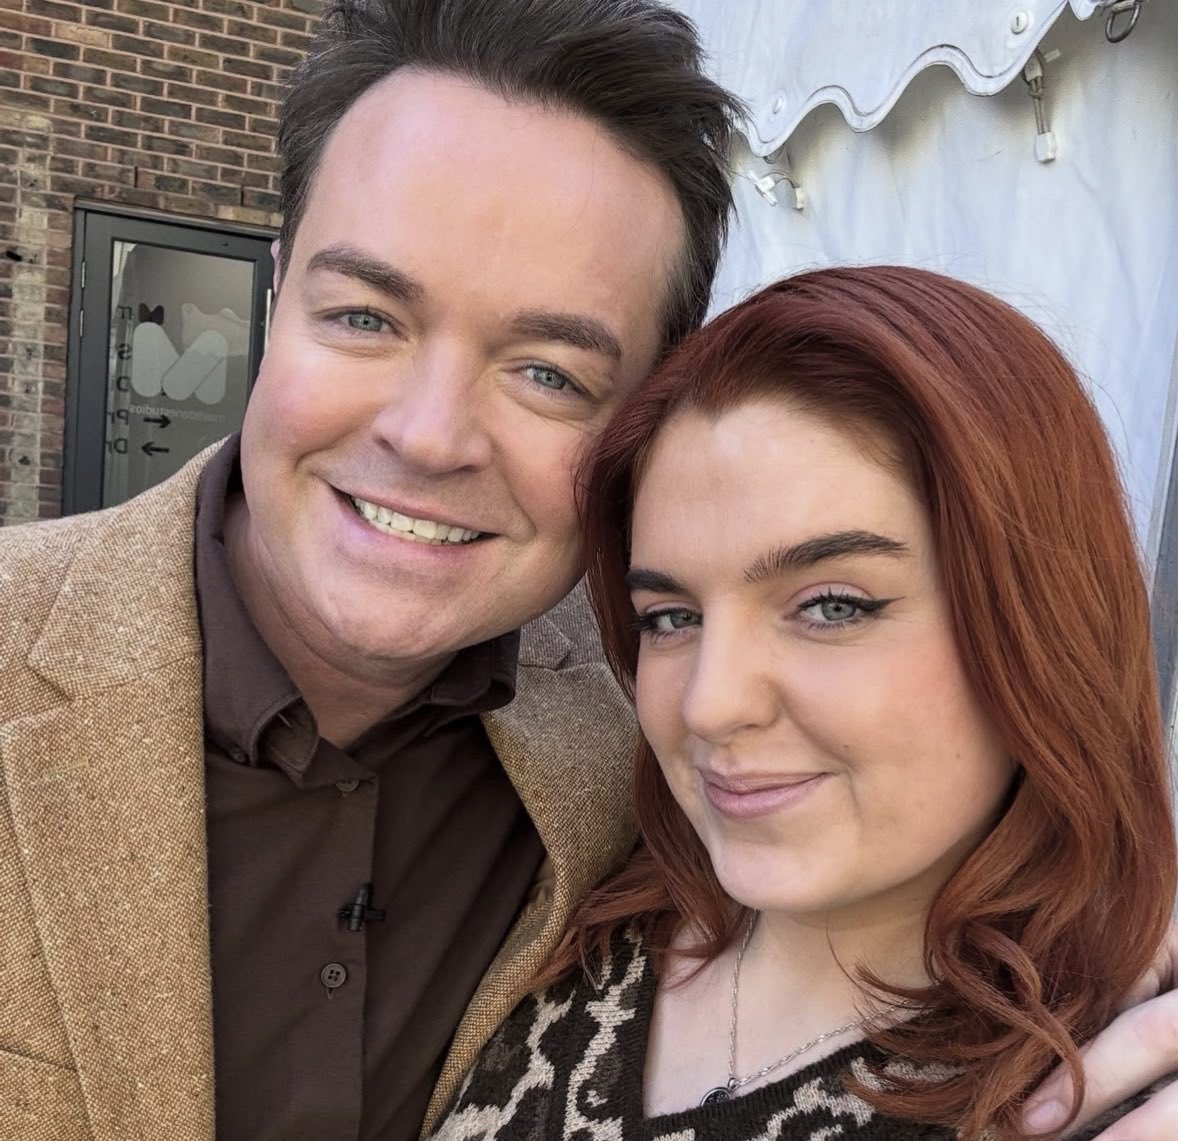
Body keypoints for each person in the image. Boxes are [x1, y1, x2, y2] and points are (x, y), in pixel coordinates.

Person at [0, 0, 1174, 1136]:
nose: (428, 434)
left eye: (547, 373)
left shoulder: (638, 747)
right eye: (364, 317)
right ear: (275, 291)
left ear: (636, 414)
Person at [429, 266, 1178, 1140]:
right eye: (670, 617)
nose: (710, 704)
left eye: (831, 606)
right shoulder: (581, 894)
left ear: (1043, 625)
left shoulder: (1098, 1091)